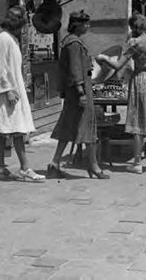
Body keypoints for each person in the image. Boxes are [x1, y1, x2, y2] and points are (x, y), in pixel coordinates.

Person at [96, 12, 146, 174]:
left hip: (140, 81)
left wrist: (103, 58)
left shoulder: (135, 43)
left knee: (138, 124)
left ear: (135, 27)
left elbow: (117, 66)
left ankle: (137, 163)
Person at [47, 10, 110, 180]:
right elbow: (76, 70)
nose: (88, 26)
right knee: (87, 128)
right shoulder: (74, 44)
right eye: (86, 23)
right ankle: (94, 166)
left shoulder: (70, 42)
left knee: (69, 127)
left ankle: (55, 163)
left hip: (74, 92)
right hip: (79, 93)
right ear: (78, 25)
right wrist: (82, 93)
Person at [0, 6, 45, 182]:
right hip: (8, 92)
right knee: (16, 130)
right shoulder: (4, 39)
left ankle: (0, 166)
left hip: (13, 89)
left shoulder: (10, 39)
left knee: (5, 130)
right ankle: (25, 168)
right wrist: (8, 90)